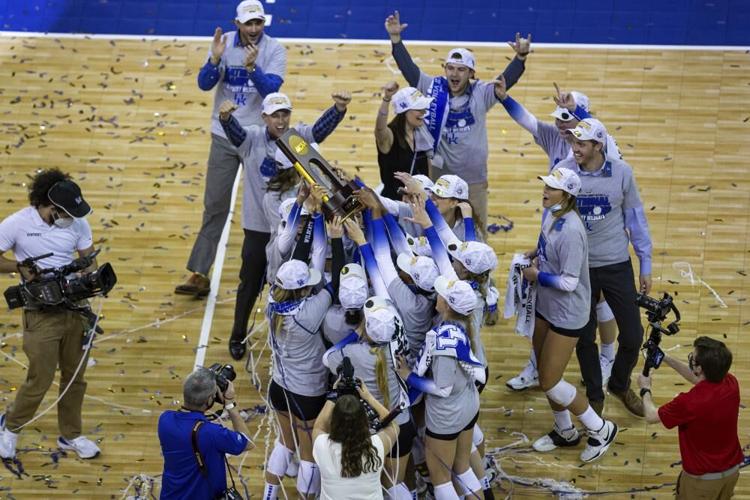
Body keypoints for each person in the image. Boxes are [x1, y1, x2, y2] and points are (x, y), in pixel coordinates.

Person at [494, 80, 621, 391]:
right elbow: (528, 121)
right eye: (560, 118)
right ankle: (537, 364)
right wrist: (504, 98)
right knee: (546, 298)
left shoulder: (605, 147)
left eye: (569, 118)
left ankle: (608, 355)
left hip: (593, 232)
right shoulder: (554, 137)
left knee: (599, 297)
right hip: (556, 228)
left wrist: (578, 110)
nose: (563, 125)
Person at [218, 90, 350, 360]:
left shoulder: (297, 137)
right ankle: (237, 332)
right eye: (275, 115)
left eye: (284, 114)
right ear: (264, 117)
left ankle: (293, 336)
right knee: (250, 282)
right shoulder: (252, 138)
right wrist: (225, 119)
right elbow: (236, 135)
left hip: (296, 228)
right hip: (258, 226)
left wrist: (337, 109)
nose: (280, 120)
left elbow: (319, 132)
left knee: (297, 283)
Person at [176, 0, 287, 298]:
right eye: (248, 23)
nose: (254, 29)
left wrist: (252, 69)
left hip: (257, 140)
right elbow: (203, 84)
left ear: (264, 23)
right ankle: (199, 273)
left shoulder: (275, 49)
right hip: (223, 136)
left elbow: (272, 93)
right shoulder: (222, 43)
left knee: (267, 207)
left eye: (258, 23)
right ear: (237, 23)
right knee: (215, 206)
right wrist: (214, 61)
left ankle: (273, 271)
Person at [385, 10, 530, 231]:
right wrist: (396, 40)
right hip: (441, 180)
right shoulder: (434, 88)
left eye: (461, 70)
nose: (455, 74)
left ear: (471, 73)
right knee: (440, 226)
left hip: (474, 180)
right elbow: (410, 72)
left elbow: (504, 83)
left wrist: (520, 59)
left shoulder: (481, 93)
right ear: (445, 70)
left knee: (478, 227)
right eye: (450, 68)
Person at [0, 169, 101, 460]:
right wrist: (19, 268)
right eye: (66, 212)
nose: (72, 217)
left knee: (75, 378)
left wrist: (89, 276)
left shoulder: (78, 223)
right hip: (40, 311)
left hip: (75, 309)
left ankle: (70, 435)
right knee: (40, 378)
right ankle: (11, 428)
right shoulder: (17, 224)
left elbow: (88, 261)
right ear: (49, 206)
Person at [555, 118, 653, 417]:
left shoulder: (621, 172)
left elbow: (635, 219)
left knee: (634, 335)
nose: (575, 148)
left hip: (615, 263)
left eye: (581, 144)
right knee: (585, 337)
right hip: (579, 268)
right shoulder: (564, 171)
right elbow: (553, 220)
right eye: (573, 142)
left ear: (599, 145)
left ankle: (620, 384)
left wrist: (645, 263)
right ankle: (595, 394)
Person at [521, 168, 618, 463]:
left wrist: (537, 275)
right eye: (546, 185)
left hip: (568, 312)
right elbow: (547, 249)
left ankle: (600, 428)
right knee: (544, 374)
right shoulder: (551, 214)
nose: (545, 190)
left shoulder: (573, 230)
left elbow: (569, 282)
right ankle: (564, 431)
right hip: (546, 306)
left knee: (550, 380)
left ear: (567, 195)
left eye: (552, 187)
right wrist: (534, 255)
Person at [398, 276, 486, 500]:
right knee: (462, 467)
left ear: (447, 304)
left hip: (448, 414)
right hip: (467, 404)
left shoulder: (442, 340)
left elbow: (443, 388)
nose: (436, 295)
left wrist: (409, 377)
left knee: (442, 481)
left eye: (441, 294)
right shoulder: (464, 321)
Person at [322, 296, 414, 499]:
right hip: (401, 424)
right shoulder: (399, 348)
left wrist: (357, 333)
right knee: (395, 485)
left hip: (370, 431)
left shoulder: (352, 353)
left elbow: (327, 358)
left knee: (375, 487)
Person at [262, 256, 336, 500]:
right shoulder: (310, 313)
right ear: (304, 289)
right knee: (308, 454)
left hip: (279, 388)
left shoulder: (271, 302)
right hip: (307, 395)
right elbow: (335, 282)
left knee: (284, 443)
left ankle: (269, 495)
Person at [637, 337, 743, 500]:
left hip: (702, 482)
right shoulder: (731, 383)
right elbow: (697, 378)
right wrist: (664, 357)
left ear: (700, 368)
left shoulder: (689, 402)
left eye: (692, 358)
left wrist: (645, 389)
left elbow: (651, 416)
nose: (690, 360)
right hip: (731, 473)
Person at [158, 369, 253, 499]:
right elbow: (247, 442)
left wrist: (200, 385)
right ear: (210, 400)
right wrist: (229, 403)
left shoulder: (165, 420)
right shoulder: (212, 433)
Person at [313, 384, 399, 500]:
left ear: (334, 421)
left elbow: (319, 427)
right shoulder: (376, 445)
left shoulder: (323, 445)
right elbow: (394, 426)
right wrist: (369, 398)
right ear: (364, 421)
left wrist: (332, 396)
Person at [375, 82, 434, 199]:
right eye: (419, 108)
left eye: (424, 108)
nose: (423, 112)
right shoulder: (390, 137)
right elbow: (380, 128)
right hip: (395, 203)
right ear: (404, 111)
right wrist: (386, 99)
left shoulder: (422, 133)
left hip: (419, 202)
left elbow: (428, 170)